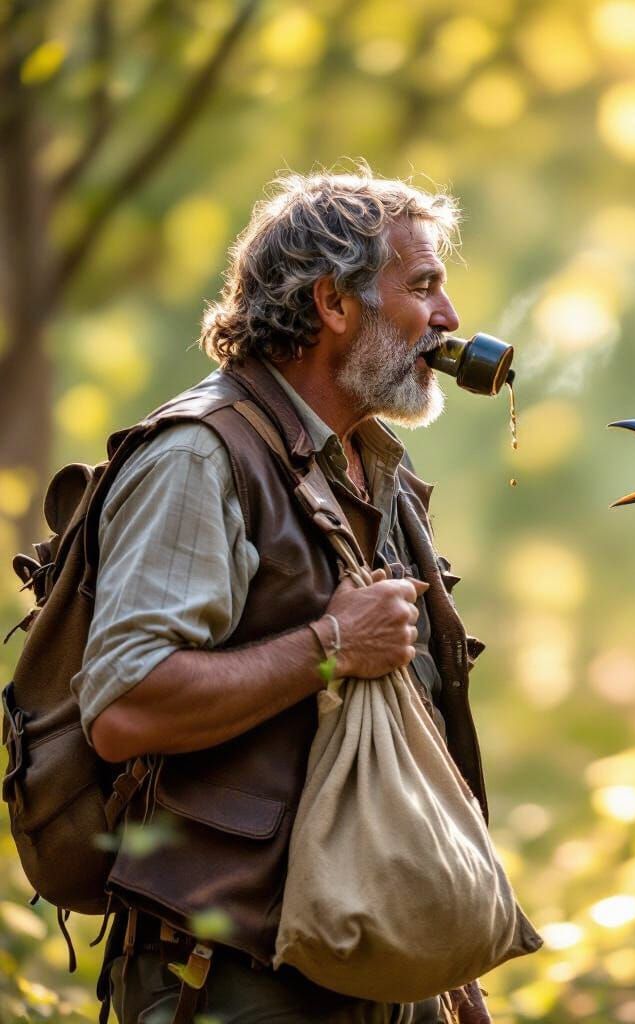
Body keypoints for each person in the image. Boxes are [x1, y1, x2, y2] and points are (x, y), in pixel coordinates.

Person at [73, 169, 492, 1023]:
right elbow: (122, 707)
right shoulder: (198, 456)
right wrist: (328, 647)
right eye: (422, 287)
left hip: (361, 969)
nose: (449, 321)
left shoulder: (371, 470)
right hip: (230, 979)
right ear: (334, 303)